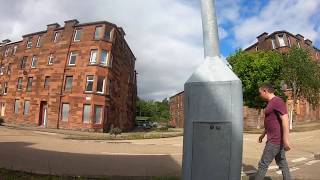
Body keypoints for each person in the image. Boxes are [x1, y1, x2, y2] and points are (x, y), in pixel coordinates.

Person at [255, 83, 291, 180]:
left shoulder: (277, 101)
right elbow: (270, 122)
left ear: (265, 91)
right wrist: (263, 135)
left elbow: (285, 119)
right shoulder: (271, 102)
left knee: (263, 164)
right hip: (275, 140)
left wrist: (286, 140)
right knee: (282, 163)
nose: (260, 95)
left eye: (260, 93)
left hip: (275, 141)